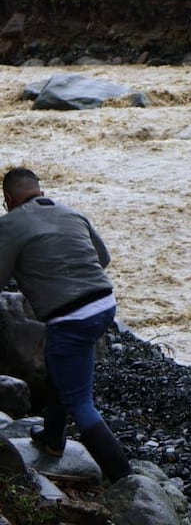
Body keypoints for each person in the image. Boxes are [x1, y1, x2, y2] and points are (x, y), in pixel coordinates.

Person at [0, 168, 132, 482]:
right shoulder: (72, 213)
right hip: (104, 305)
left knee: (81, 403)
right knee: (59, 363)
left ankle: (125, 479)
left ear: (7, 199)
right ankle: (53, 437)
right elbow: (102, 258)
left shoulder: (9, 224)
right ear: (40, 190)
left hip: (71, 317)